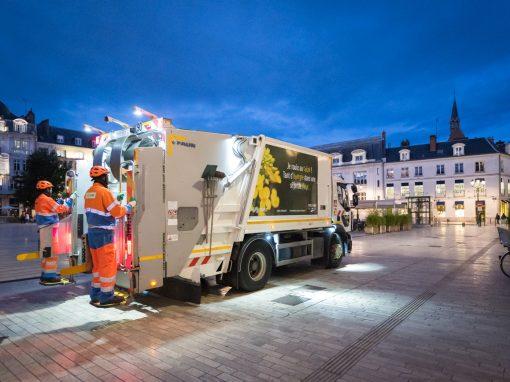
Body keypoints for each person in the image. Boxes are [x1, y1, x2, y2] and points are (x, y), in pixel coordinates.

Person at [84, 166, 135, 307]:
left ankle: (95, 295)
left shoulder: (89, 192)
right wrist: (130, 206)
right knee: (108, 265)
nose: (107, 179)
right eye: (106, 176)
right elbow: (117, 212)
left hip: (93, 233)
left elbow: (101, 210)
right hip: (104, 234)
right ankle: (106, 296)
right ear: (103, 177)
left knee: (98, 266)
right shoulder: (105, 192)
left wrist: (116, 200)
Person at [34, 180, 71, 285]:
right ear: (46, 189)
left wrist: (58, 202)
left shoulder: (39, 199)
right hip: (50, 229)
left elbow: (51, 208)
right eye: (50, 189)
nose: (51, 191)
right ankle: (50, 276)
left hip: (44, 230)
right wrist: (69, 202)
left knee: (46, 253)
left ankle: (45, 275)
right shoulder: (46, 199)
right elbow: (60, 209)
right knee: (52, 253)